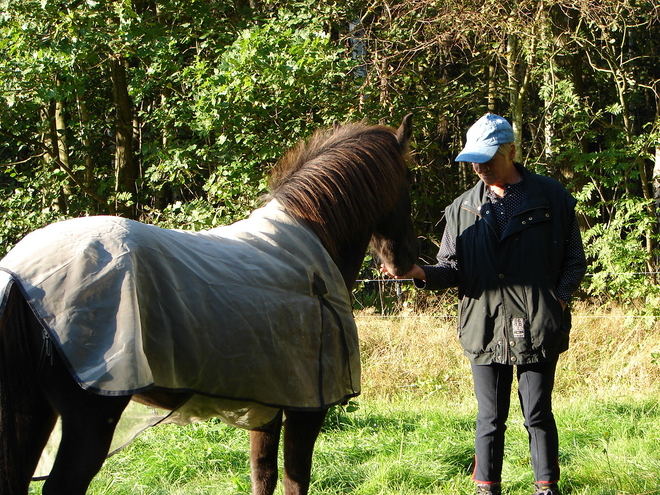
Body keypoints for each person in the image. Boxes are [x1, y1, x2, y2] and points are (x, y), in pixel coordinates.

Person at [382, 113, 587, 495]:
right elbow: (451, 270)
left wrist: (556, 302)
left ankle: (546, 488)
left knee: (538, 414)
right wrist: (417, 272)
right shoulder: (461, 209)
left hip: (539, 325)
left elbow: (574, 260)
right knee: (490, 417)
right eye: (473, 160)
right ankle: (486, 488)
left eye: (488, 158)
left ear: (511, 150)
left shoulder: (552, 197)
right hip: (484, 325)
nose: (479, 167)